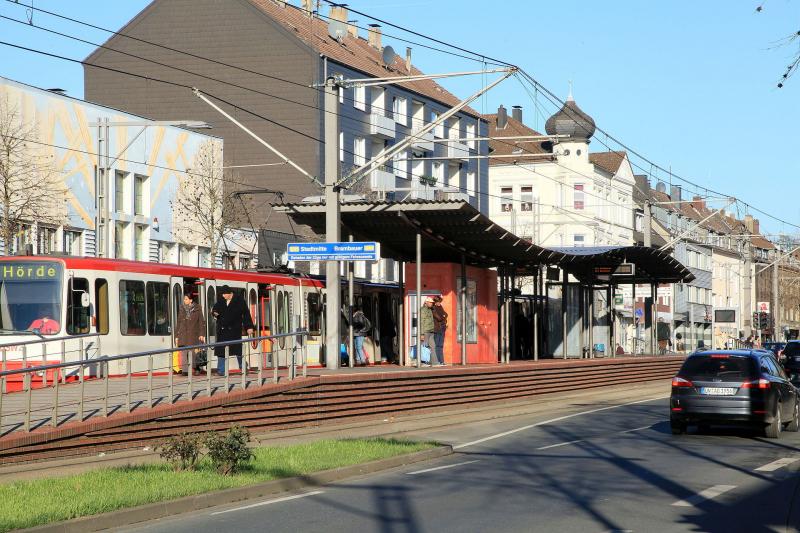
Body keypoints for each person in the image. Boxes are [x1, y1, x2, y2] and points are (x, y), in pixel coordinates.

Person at [211, 285, 254, 375]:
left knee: (237, 350)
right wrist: (214, 313)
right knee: (221, 351)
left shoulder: (239, 301)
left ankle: (243, 368)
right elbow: (214, 309)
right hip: (222, 330)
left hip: (234, 329)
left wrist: (249, 327)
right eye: (222, 294)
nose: (223, 296)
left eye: (224, 294)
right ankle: (221, 370)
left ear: (230, 293)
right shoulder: (221, 300)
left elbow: (246, 314)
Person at [174, 291, 206, 375]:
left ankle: (196, 367)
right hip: (183, 333)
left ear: (191, 300)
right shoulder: (182, 308)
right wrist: (176, 335)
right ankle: (185, 371)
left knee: (192, 353)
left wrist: (202, 334)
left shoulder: (197, 308)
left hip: (193, 333)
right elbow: (179, 322)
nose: (184, 301)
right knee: (183, 352)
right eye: (184, 299)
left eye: (186, 299)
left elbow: (201, 322)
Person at [419, 297, 439, 366]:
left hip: (431, 331)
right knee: (423, 346)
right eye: (430, 302)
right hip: (425, 331)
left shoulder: (430, 310)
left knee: (433, 346)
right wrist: (421, 333)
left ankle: (434, 362)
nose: (431, 304)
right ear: (426, 302)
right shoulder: (423, 310)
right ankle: (422, 362)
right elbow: (421, 321)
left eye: (432, 303)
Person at [432, 295, 448, 365]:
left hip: (442, 328)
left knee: (441, 345)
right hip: (437, 328)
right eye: (438, 302)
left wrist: (443, 316)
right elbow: (439, 318)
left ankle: (442, 361)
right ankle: (437, 361)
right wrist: (443, 316)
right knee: (436, 345)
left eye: (440, 302)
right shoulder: (433, 308)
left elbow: (446, 314)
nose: (439, 303)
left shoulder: (440, 307)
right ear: (435, 302)